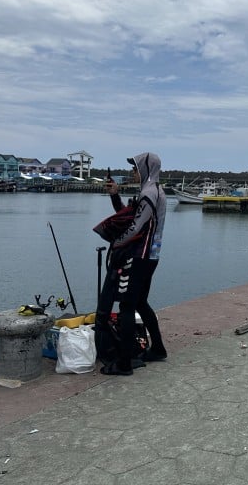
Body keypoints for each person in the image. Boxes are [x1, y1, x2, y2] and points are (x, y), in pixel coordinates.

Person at [95, 152, 168, 376]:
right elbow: (129, 217)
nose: (133, 172)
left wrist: (116, 243)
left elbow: (135, 226)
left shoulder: (148, 193)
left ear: (146, 168)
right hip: (151, 256)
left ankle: (125, 363)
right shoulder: (155, 190)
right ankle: (158, 349)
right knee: (141, 303)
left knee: (126, 306)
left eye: (135, 168)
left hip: (140, 257)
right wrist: (115, 195)